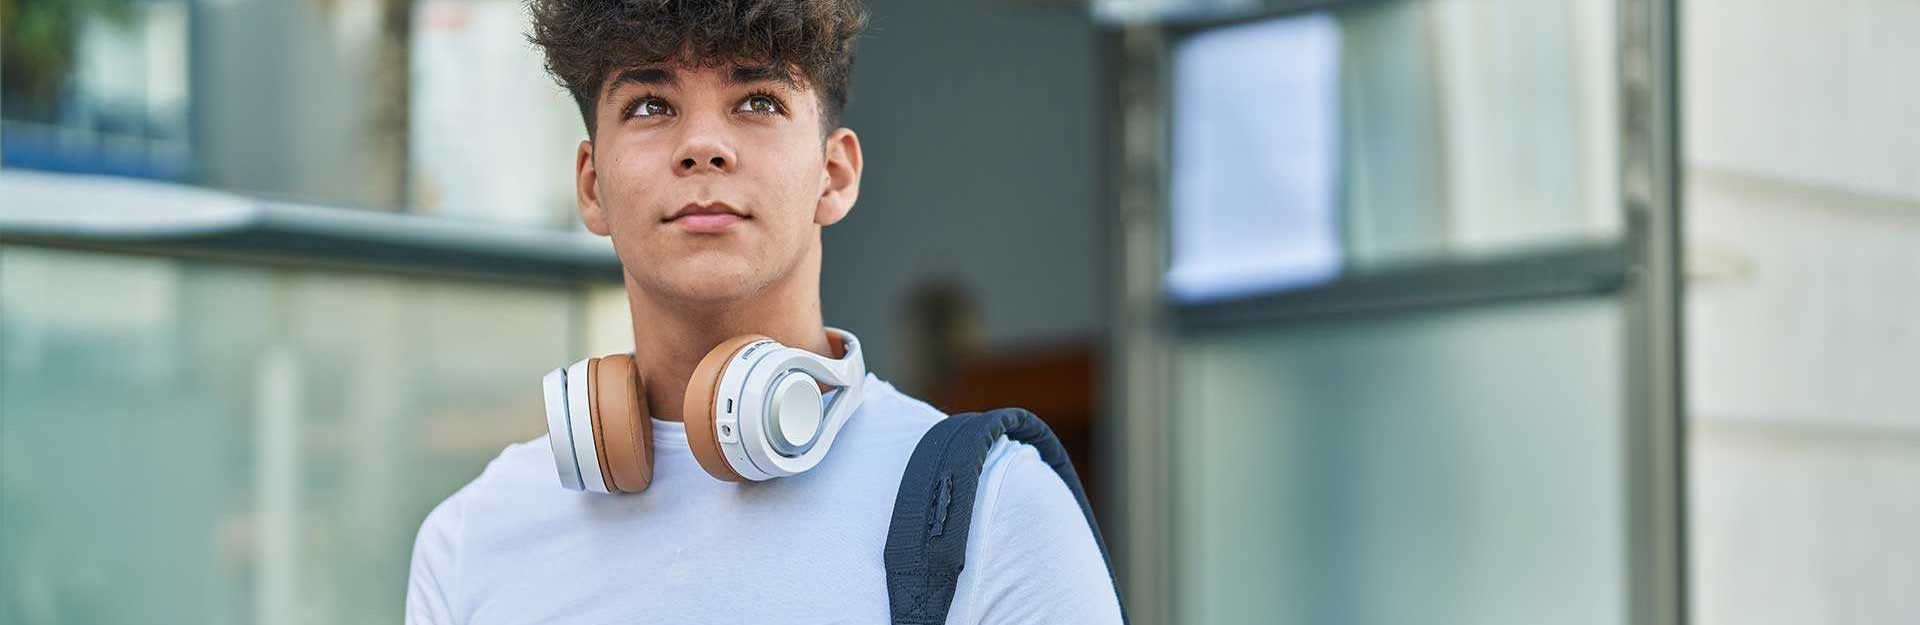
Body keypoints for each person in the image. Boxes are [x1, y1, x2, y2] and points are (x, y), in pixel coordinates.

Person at [403, 1, 1124, 622]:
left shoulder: (999, 510)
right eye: (652, 105)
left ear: (833, 175)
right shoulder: (474, 537)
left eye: (757, 101)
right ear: (592, 186)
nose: (703, 147)